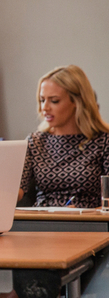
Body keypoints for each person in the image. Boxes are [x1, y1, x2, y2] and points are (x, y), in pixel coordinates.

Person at [18, 65, 109, 208]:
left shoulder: (103, 141)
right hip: (42, 223)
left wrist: (85, 213)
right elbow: (15, 190)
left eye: (54, 101)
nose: (45, 108)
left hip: (89, 224)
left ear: (77, 101)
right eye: (42, 100)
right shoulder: (35, 142)